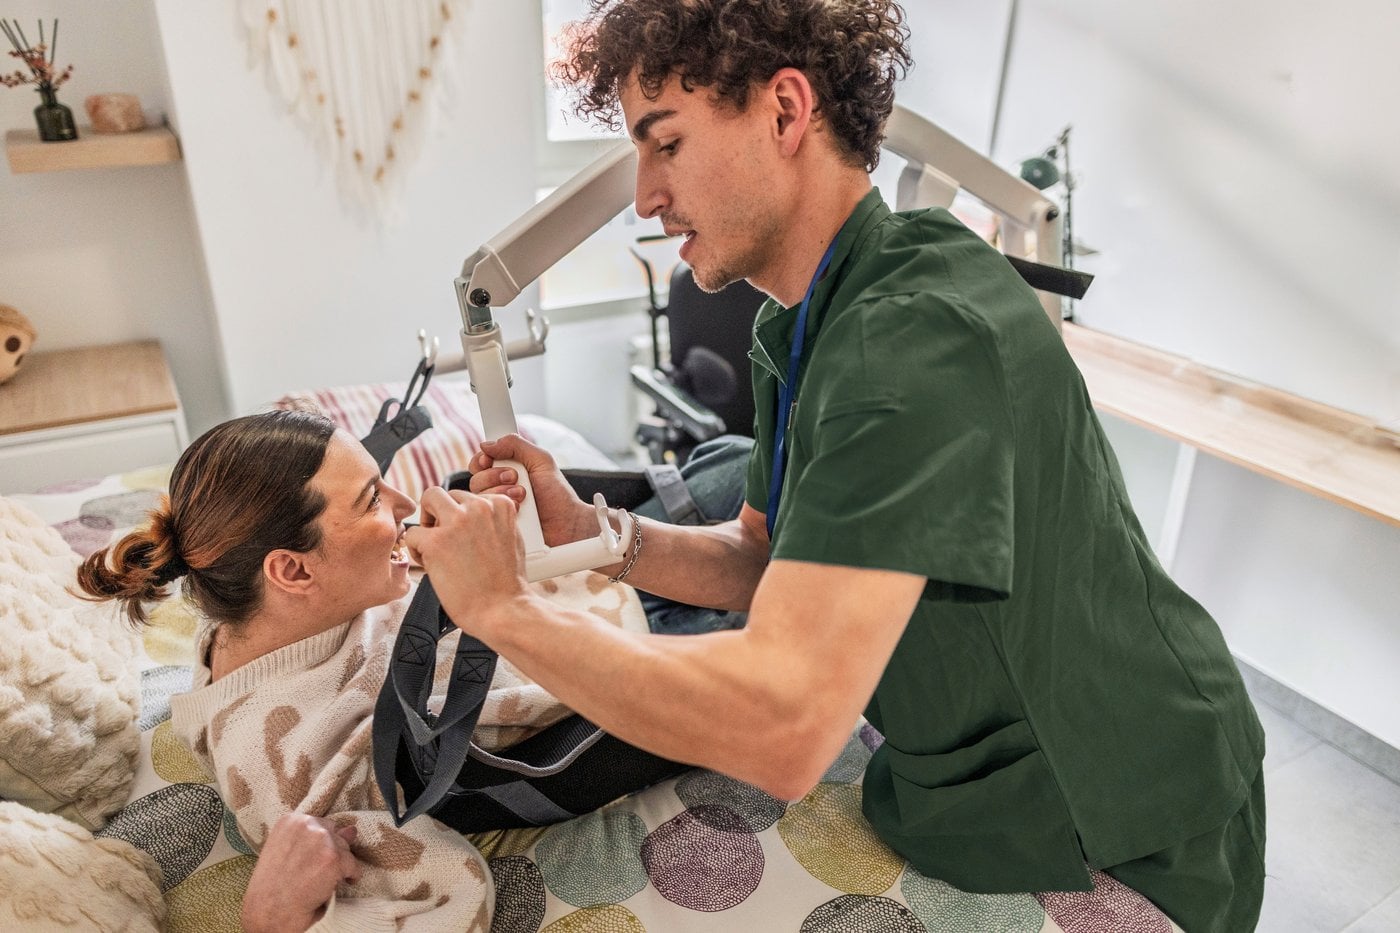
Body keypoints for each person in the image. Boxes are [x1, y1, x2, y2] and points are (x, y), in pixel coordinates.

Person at [403, 2, 1267, 931]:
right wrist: (595, 532)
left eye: (666, 146)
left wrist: (502, 609)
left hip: (1126, 807)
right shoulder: (801, 322)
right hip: (982, 772)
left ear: (784, 112)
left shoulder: (911, 337)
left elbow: (784, 727)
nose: (646, 196)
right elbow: (763, 557)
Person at [76, 408, 750, 931]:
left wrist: (497, 530)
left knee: (738, 462)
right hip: (640, 652)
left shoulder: (258, 611)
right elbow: (453, 893)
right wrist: (276, 922)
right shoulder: (298, 771)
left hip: (580, 584)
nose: (404, 502)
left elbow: (409, 597)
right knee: (786, 528)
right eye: (371, 499)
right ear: (293, 569)